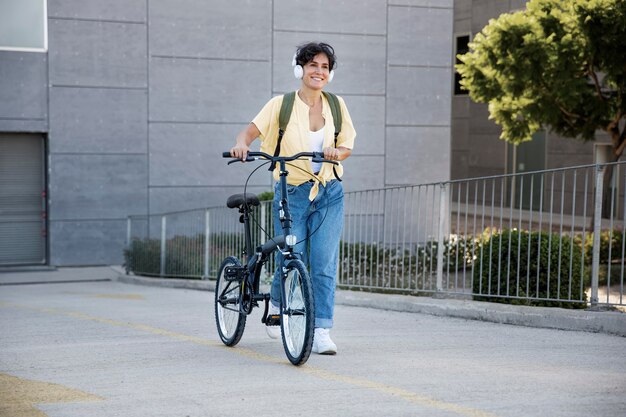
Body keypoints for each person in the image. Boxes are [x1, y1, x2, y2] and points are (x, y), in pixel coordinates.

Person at [229, 42, 356, 355]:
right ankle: (279, 307)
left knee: (324, 263)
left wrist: (335, 152)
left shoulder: (336, 105)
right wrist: (241, 145)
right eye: (313, 65)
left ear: (330, 74)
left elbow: (347, 146)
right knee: (291, 255)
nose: (319, 72)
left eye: (325, 67)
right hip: (292, 191)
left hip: (329, 191)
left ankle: (321, 328)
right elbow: (248, 133)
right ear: (299, 69)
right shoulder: (281, 105)